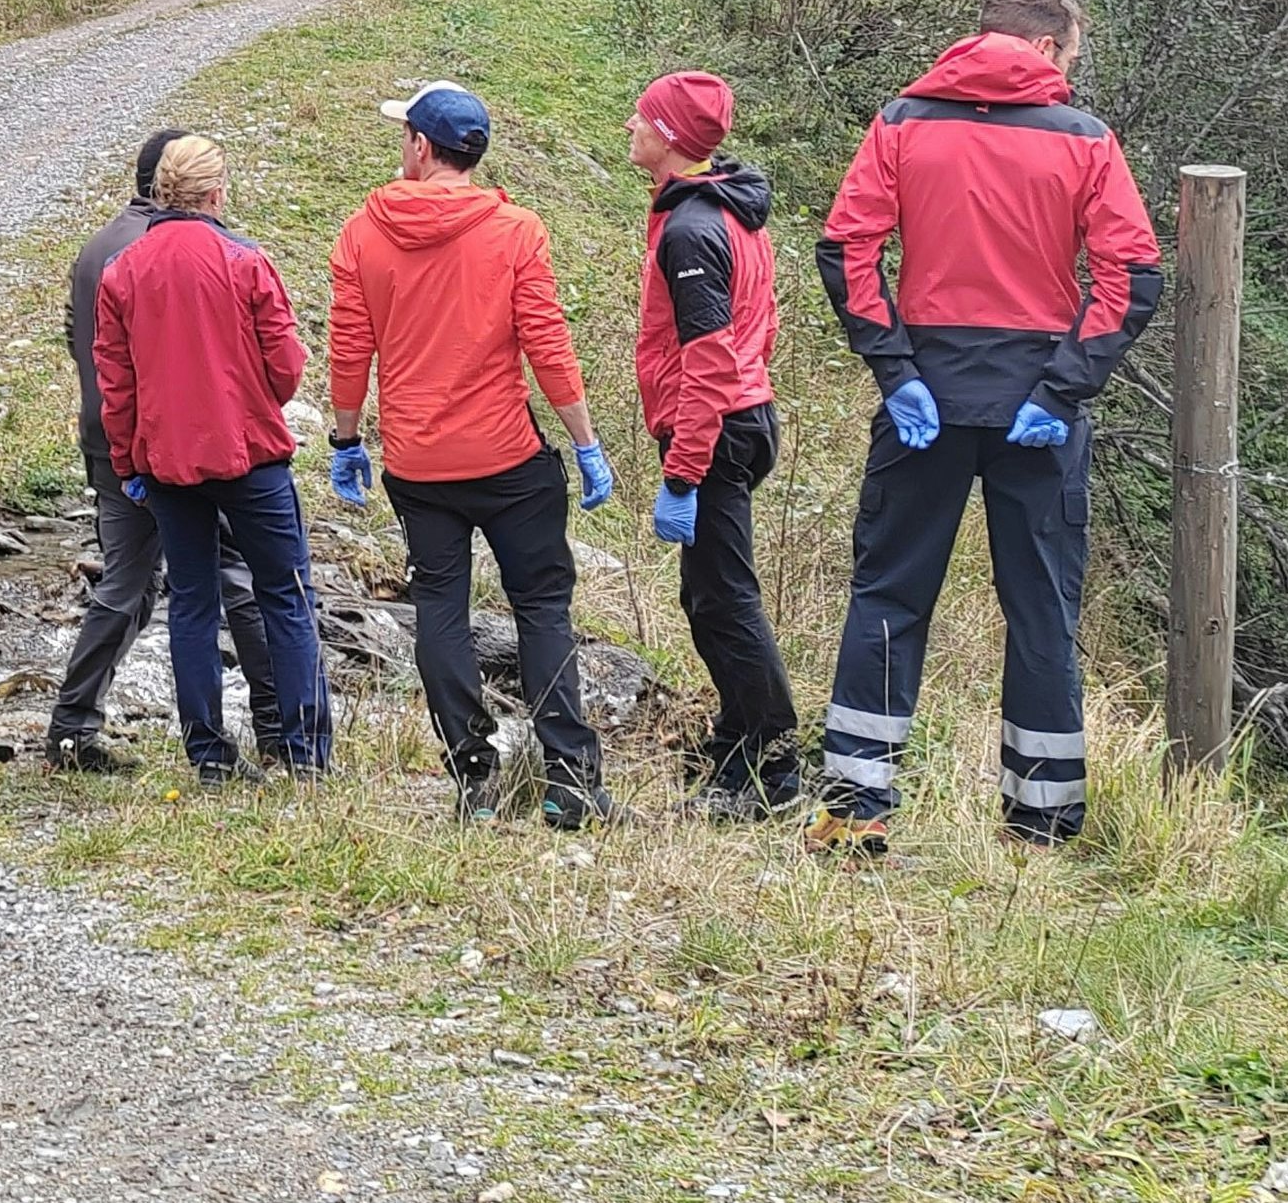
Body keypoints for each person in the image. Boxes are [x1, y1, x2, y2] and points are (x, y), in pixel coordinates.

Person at [812, 0, 1160, 854]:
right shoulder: (1083, 140)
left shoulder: (902, 122)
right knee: (1042, 607)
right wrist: (1063, 388)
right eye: (1071, 57)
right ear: (1046, 47)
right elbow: (1131, 277)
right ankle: (1041, 822)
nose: (1070, 73)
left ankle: (856, 808)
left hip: (923, 394)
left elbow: (848, 247)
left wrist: (894, 368)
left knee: (889, 595)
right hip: (1036, 401)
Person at [326, 81, 620, 827]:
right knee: (542, 608)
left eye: (405, 136)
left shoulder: (363, 232)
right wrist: (585, 442)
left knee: (441, 611)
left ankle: (474, 777)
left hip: (420, 465)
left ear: (422, 148)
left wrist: (346, 437)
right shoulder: (516, 231)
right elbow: (548, 346)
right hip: (509, 459)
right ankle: (571, 783)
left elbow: (349, 348)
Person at [48, 127, 286, 774]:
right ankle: (275, 732)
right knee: (235, 580)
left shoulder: (98, 246)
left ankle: (71, 725)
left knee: (127, 585)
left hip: (110, 441)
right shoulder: (172, 251)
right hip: (180, 446)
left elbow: (81, 340)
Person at [92, 134, 330, 779]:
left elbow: (117, 384)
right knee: (286, 595)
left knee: (191, 604)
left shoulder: (123, 271)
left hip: (166, 462)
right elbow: (286, 368)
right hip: (248, 452)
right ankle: (305, 754)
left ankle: (208, 757)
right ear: (217, 191)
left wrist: (128, 464)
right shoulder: (245, 261)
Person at [626, 70, 799, 819]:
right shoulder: (728, 208)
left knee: (724, 599)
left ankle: (769, 760)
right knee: (706, 594)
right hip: (742, 416)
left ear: (668, 137)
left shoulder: (693, 228)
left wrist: (684, 469)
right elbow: (764, 321)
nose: (629, 125)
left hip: (719, 427)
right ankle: (736, 731)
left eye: (641, 116)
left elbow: (710, 356)